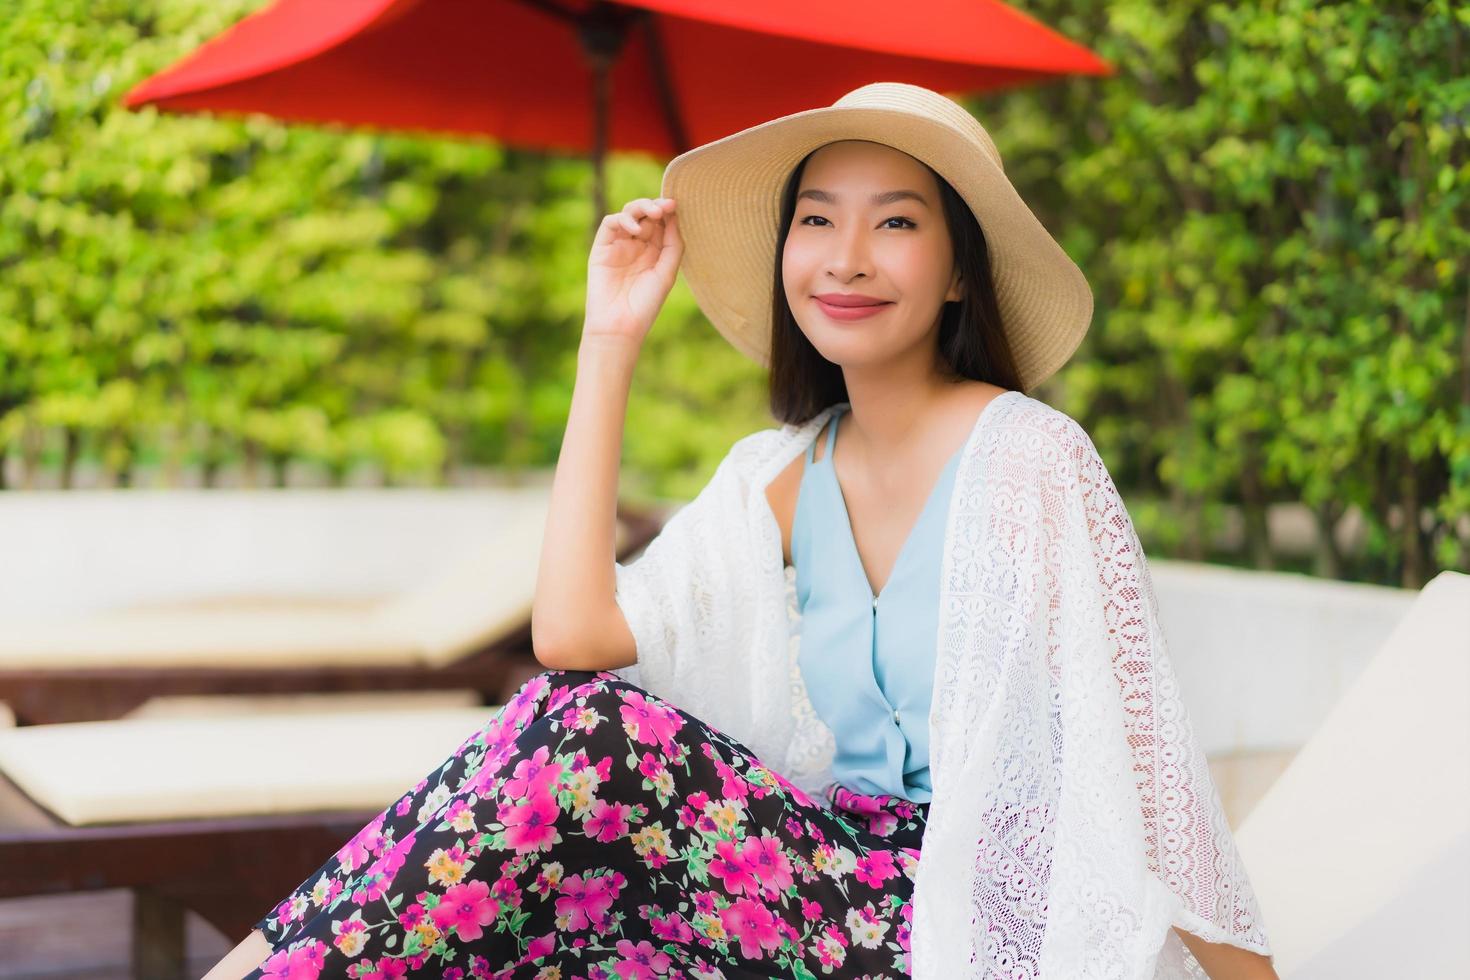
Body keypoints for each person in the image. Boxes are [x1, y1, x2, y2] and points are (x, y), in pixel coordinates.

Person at [206, 82, 1276, 979]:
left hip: (963, 932)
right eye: (817, 218)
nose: (846, 256)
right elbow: (572, 636)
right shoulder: (776, 473)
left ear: (958, 271)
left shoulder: (1034, 459)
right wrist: (609, 337)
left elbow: (1148, 766)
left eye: (895, 221)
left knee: (593, 742)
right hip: (817, 892)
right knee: (563, 791)